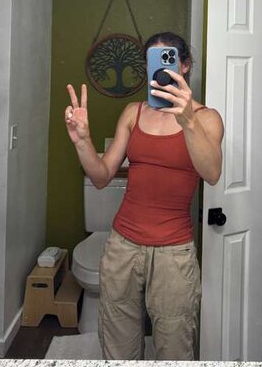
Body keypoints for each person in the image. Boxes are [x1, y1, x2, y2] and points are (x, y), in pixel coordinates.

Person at [64, 32, 224, 360]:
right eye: (153, 61)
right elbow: (101, 177)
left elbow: (211, 174)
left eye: (167, 59)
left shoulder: (206, 118)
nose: (159, 69)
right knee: (118, 345)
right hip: (122, 245)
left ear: (184, 65)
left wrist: (187, 121)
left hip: (173, 252)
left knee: (175, 345)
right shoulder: (132, 112)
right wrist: (82, 141)